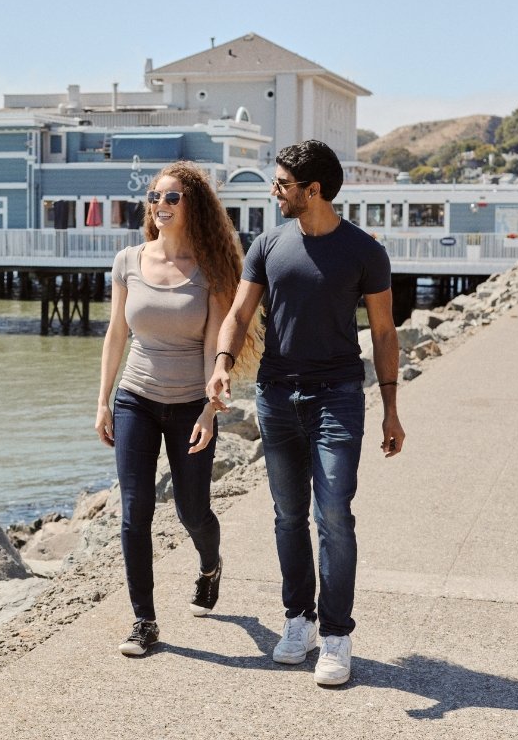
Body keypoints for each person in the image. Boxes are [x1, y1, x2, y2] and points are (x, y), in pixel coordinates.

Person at [206, 140, 405, 687]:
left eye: (282, 183)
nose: (275, 190)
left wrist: (390, 408)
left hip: (338, 395)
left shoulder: (365, 251)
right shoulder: (268, 244)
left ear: (311, 190)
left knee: (334, 512)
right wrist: (223, 362)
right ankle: (299, 620)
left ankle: (337, 634)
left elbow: (385, 334)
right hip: (275, 395)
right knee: (288, 514)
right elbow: (240, 313)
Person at [95, 160, 244, 657]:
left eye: (172, 197)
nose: (161, 205)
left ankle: (210, 563)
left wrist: (209, 408)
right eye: (155, 197)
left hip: (188, 407)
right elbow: (117, 333)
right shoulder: (128, 260)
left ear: (192, 205)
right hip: (136, 397)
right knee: (134, 512)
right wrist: (103, 401)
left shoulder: (212, 270)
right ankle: (144, 620)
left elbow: (213, 346)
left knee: (192, 510)